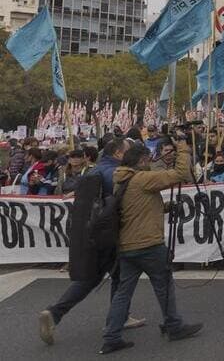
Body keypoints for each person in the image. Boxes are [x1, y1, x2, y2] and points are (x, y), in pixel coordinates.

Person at [37, 139, 145, 346]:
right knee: (120, 276)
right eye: (128, 152)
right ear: (118, 154)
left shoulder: (93, 171)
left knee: (91, 278)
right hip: (110, 233)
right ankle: (118, 319)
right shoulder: (115, 172)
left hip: (90, 232)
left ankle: (54, 313)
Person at [99, 139, 202, 354]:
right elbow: (181, 174)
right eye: (147, 159)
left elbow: (137, 207)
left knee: (123, 293)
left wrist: (164, 207)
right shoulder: (142, 178)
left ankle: (111, 335)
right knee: (164, 285)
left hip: (128, 245)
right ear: (142, 160)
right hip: (149, 244)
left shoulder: (123, 178)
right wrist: (182, 149)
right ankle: (173, 325)